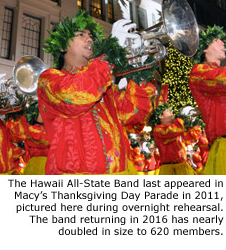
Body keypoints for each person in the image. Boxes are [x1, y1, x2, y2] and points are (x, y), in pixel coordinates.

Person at [37, 10, 156, 175]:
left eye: (91, 35)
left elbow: (134, 116)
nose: (89, 39)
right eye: (80, 34)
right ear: (64, 45)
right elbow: (79, 93)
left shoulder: (106, 87)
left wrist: (138, 71)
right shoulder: (49, 79)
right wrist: (110, 53)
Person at [189, 25, 226, 174]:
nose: (223, 43)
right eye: (218, 40)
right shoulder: (198, 72)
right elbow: (221, 80)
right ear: (205, 48)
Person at [151, 103, 201, 175]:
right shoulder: (158, 129)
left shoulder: (179, 129)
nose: (172, 112)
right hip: (168, 169)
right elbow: (172, 131)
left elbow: (192, 137)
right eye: (168, 111)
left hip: (183, 166)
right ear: (161, 116)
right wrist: (181, 120)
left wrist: (193, 123)